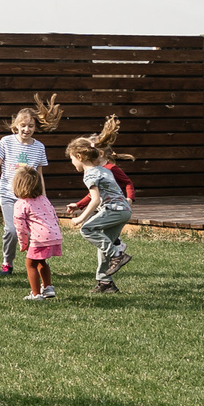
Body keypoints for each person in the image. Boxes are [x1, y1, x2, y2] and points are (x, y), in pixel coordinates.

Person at [60, 117, 134, 291]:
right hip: (124, 210)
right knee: (104, 243)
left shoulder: (90, 174)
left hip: (114, 210)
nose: (72, 163)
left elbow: (96, 199)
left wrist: (81, 218)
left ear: (79, 156)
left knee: (87, 230)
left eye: (72, 159)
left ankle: (118, 253)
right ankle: (105, 282)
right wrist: (79, 205)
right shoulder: (102, 169)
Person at [0, 103, 54, 276]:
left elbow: (39, 174)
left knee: (34, 231)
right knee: (11, 230)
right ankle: (7, 262)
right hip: (8, 193)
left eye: (31, 126)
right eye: (23, 125)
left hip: (30, 197)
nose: (27, 129)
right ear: (16, 126)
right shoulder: (6, 142)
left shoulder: (39, 147)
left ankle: (36, 262)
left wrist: (44, 197)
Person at [10, 167, 63, 299]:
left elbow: (20, 227)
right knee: (41, 262)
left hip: (40, 239)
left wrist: (23, 243)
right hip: (54, 235)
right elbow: (54, 216)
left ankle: (36, 294)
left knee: (30, 264)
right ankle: (48, 287)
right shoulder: (43, 199)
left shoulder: (21, 203)